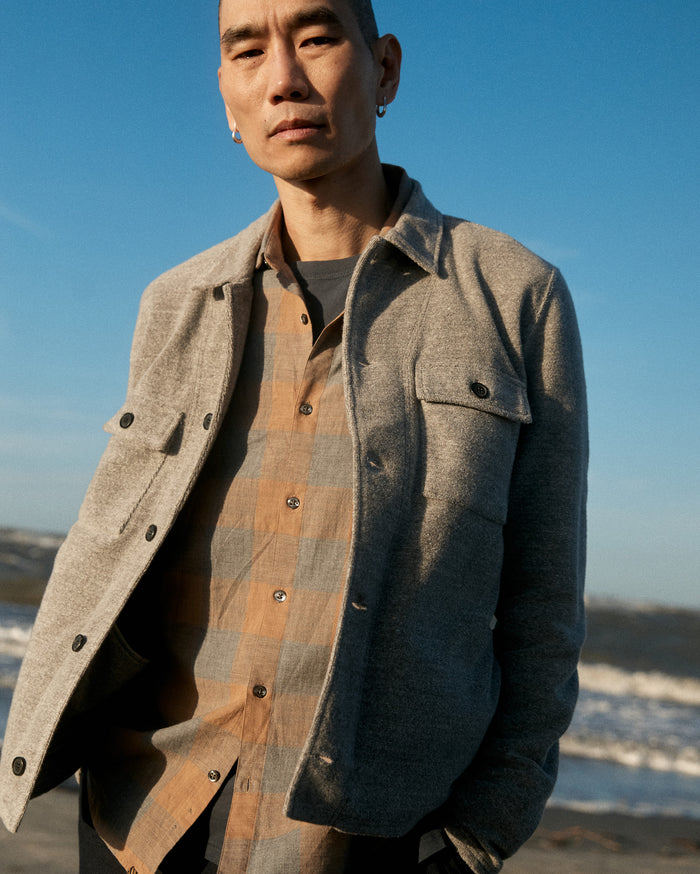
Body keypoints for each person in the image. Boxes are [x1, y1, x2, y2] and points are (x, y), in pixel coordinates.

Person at [0, 1, 588, 872]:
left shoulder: (514, 297)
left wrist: (481, 833)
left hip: (366, 837)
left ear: (384, 68)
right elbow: (117, 543)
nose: (283, 78)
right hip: (143, 815)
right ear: (228, 101)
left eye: (316, 38)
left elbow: (543, 602)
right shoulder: (178, 301)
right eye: (248, 50)